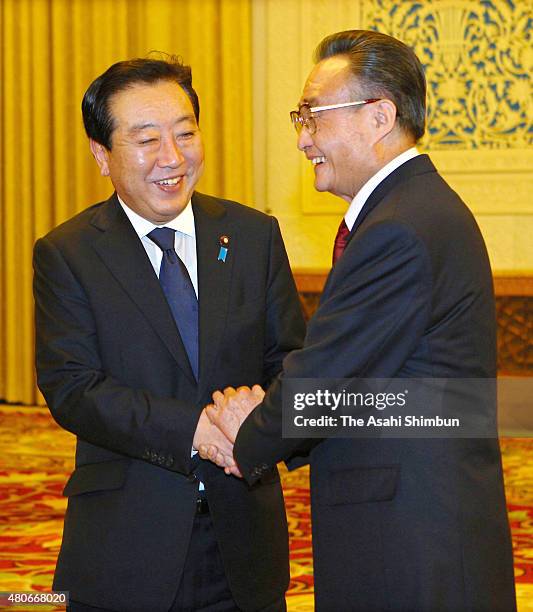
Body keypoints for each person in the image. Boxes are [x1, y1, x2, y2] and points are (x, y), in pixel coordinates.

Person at [202, 30, 517, 611]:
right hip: (416, 519)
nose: (302, 139)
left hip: (414, 532)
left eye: (312, 117)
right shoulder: (413, 210)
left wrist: (247, 432)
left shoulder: (399, 227)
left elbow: (327, 375)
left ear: (378, 116)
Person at [33, 56, 305, 612]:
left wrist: (262, 410)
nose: (173, 158)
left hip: (245, 537)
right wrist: (196, 429)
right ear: (101, 155)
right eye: (146, 140)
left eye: (186, 134)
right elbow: (73, 388)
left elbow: (290, 362)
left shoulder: (252, 235)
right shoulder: (69, 253)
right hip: (127, 542)